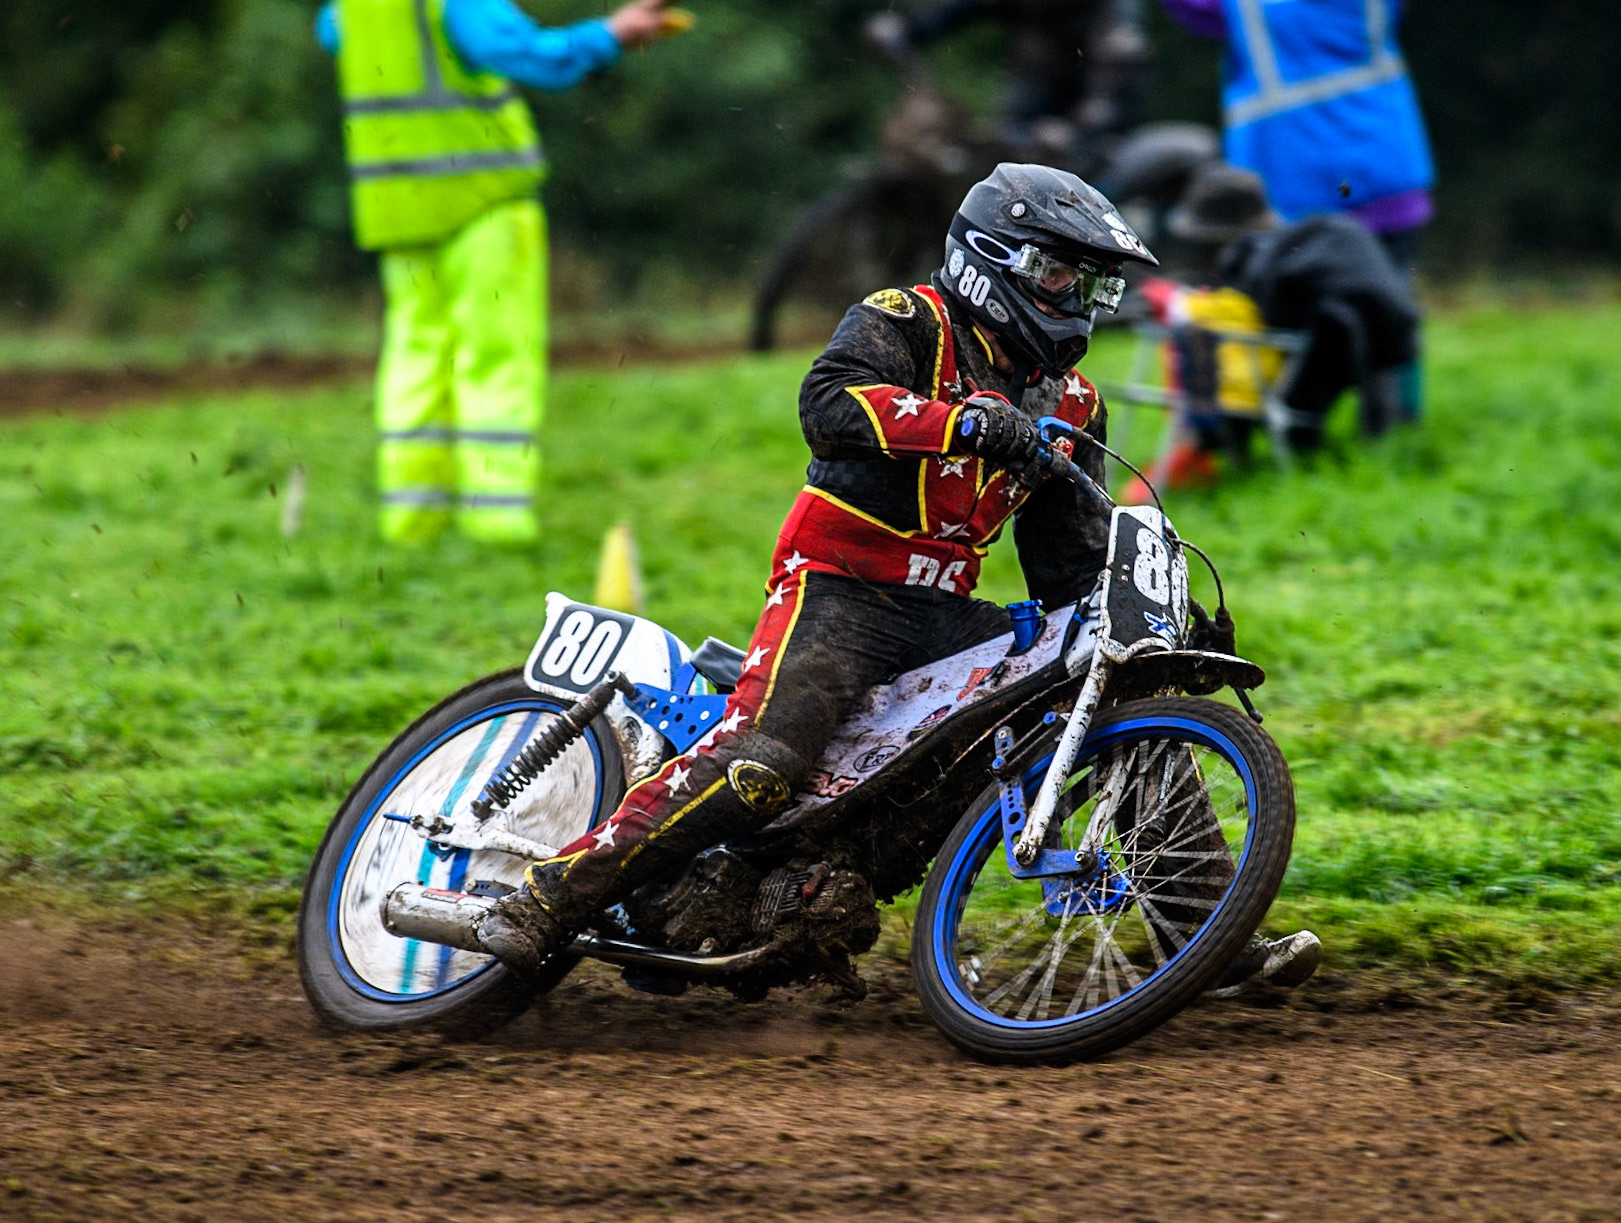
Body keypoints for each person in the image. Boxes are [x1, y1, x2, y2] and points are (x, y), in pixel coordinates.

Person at [477, 163, 1319, 993]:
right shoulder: (907, 320)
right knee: (762, 764)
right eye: (1059, 273)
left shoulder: (1073, 400)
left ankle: (1207, 931)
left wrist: (1147, 625)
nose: (1075, 299)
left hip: (944, 609)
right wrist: (964, 424)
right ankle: (551, 896)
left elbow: (1069, 558)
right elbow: (829, 403)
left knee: (1115, 697)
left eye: (1091, 285)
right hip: (838, 586)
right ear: (994, 258)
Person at [315, 0, 680, 544]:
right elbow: (528, 57)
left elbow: (331, 35)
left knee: (415, 357)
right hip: (483, 199)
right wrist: (613, 33)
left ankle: (412, 519)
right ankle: (496, 519)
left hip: (397, 207)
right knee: (495, 353)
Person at [1159, 0, 1432, 417]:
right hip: (1383, 162)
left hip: (1292, 176)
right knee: (1389, 304)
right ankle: (1394, 431)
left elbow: (1194, 11)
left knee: (1280, 314)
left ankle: (1277, 426)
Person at [1124, 162, 1420, 495]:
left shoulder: (1262, 261)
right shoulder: (1299, 244)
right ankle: (1333, 451)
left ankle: (1237, 452)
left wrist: (1188, 308)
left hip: (1348, 330)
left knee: (1246, 368)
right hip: (1392, 328)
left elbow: (1255, 317)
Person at [865, 0, 1150, 159]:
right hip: (1021, 120)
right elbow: (955, 9)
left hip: (1086, 137)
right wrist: (907, 28)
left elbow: (1117, 76)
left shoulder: (1111, 14)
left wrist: (1078, 130)